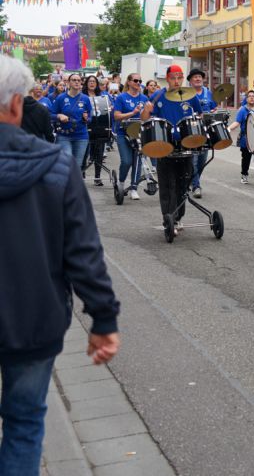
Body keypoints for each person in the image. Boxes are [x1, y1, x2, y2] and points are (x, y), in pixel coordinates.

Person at [0, 55, 120, 475]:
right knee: (25, 421)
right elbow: (83, 252)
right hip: (34, 320)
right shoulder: (55, 165)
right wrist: (103, 320)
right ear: (18, 104)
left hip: (34, 322)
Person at [141, 64, 203, 234]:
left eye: (179, 77)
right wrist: (146, 111)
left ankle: (178, 217)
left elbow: (199, 115)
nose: (176, 81)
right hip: (164, 145)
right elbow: (144, 119)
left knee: (183, 183)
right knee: (167, 184)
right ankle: (168, 218)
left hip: (185, 143)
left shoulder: (190, 96)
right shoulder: (157, 95)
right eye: (173, 78)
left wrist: (198, 121)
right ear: (167, 78)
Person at [113, 73, 149, 200]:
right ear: (128, 82)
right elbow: (116, 116)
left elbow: (146, 118)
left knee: (138, 161)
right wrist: (132, 113)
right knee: (127, 161)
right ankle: (121, 183)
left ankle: (134, 187)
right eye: (135, 80)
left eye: (140, 80)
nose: (138, 83)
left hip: (139, 133)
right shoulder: (121, 97)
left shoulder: (144, 98)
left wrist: (147, 112)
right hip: (124, 133)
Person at [187, 68, 216, 198]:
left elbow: (214, 107)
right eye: (195, 77)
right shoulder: (186, 94)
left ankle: (191, 180)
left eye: (200, 77)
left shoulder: (208, 93)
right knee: (193, 158)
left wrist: (214, 113)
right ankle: (196, 185)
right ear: (190, 81)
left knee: (202, 160)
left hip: (205, 130)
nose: (198, 79)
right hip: (191, 130)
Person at [230, 90, 254, 185]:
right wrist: (228, 129)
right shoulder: (242, 110)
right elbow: (237, 122)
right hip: (245, 138)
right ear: (246, 99)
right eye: (249, 96)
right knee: (246, 158)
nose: (251, 97)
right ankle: (244, 174)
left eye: (253, 96)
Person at [51, 73, 91, 162]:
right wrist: (59, 115)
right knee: (67, 161)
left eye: (79, 80)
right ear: (68, 82)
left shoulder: (85, 98)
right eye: (74, 80)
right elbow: (51, 114)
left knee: (77, 165)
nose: (77, 82)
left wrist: (86, 119)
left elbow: (90, 118)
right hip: (64, 136)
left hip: (81, 136)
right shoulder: (61, 98)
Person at [82, 74, 107, 186]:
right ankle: (82, 175)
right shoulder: (81, 96)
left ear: (97, 84)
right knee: (84, 153)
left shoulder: (102, 96)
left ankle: (97, 177)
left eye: (94, 81)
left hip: (99, 127)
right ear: (86, 83)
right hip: (85, 127)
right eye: (90, 81)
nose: (92, 83)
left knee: (99, 153)